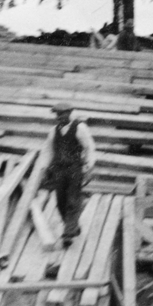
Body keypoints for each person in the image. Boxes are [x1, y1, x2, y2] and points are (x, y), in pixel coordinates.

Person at [38, 102, 97, 245]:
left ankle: (68, 233)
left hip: (74, 169)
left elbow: (89, 148)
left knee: (73, 199)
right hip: (58, 170)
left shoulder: (80, 128)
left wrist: (89, 167)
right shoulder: (54, 131)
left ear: (70, 113)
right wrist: (44, 168)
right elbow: (48, 151)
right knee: (60, 201)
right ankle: (73, 226)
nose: (59, 117)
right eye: (57, 114)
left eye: (62, 114)